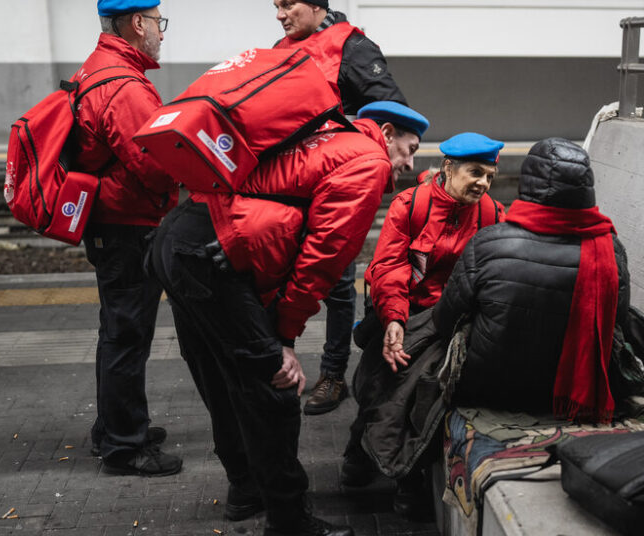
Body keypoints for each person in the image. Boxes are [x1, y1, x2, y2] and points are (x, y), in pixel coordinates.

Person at [148, 100, 428, 536]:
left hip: (180, 235)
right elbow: (323, 259)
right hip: (215, 251)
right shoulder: (368, 161)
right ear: (387, 132)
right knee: (276, 388)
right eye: (409, 149)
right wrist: (284, 337)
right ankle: (288, 520)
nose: (409, 164)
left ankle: (246, 491)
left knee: (221, 378)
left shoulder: (328, 135)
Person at [341, 132, 505, 515]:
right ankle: (359, 453)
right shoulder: (410, 206)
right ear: (448, 168)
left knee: (423, 394)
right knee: (377, 381)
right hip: (404, 312)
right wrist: (395, 319)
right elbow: (387, 267)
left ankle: (407, 475)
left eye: (490, 177)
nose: (482, 182)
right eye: (475, 172)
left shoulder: (493, 215)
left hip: (452, 322)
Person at [272, 0, 408, 416]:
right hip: (290, 183)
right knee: (284, 277)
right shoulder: (281, 47)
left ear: (316, 5)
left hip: (335, 185)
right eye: (275, 6)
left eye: (288, 4)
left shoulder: (352, 48)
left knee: (335, 282)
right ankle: (282, 363)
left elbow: (390, 106)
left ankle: (332, 375)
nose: (280, 14)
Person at [433, 137, 631, 422]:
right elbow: (619, 320)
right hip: (575, 392)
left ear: (527, 183)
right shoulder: (609, 248)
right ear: (585, 187)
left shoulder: (488, 242)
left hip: (490, 386)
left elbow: (445, 320)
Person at [76, 0, 180, 476]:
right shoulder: (123, 85)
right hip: (127, 224)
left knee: (116, 331)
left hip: (110, 221)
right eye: (158, 22)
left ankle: (113, 426)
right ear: (137, 23)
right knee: (127, 334)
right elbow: (155, 167)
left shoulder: (101, 67)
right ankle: (125, 446)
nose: (161, 30)